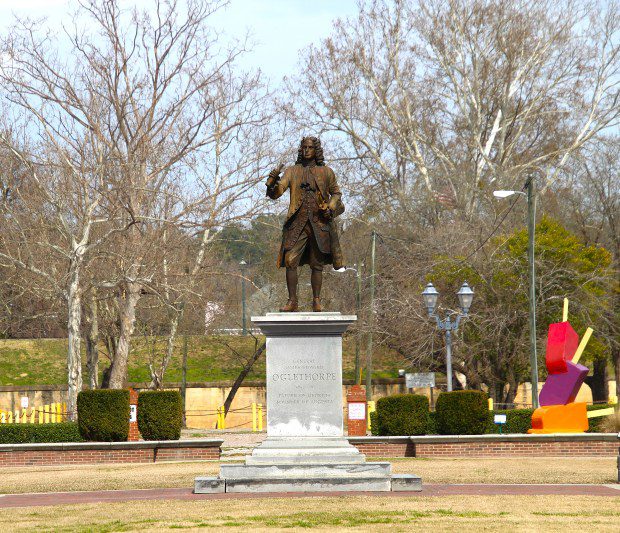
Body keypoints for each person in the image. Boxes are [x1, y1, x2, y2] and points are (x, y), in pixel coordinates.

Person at [266, 136, 345, 312]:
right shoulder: (292, 171)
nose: (306, 150)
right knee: (290, 259)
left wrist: (330, 208)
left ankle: (316, 300)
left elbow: (337, 194)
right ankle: (292, 301)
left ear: (316, 150)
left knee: (317, 264)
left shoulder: (326, 172)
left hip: (319, 223)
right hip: (297, 223)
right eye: (304, 147)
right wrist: (272, 182)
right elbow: (277, 192)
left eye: (310, 147)